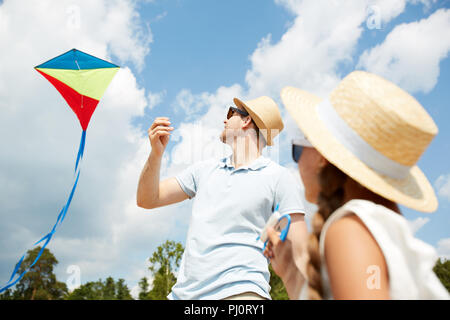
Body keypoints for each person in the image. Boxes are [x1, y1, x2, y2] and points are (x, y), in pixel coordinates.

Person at [264, 71, 450, 299]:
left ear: (322, 156)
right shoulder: (376, 230)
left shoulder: (349, 230)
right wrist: (291, 272)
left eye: (298, 149)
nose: (297, 160)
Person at [137, 96, 308, 300]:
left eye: (231, 113)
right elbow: (147, 199)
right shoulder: (203, 170)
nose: (225, 120)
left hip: (241, 294)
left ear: (246, 121)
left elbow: (301, 254)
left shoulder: (279, 177)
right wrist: (155, 155)